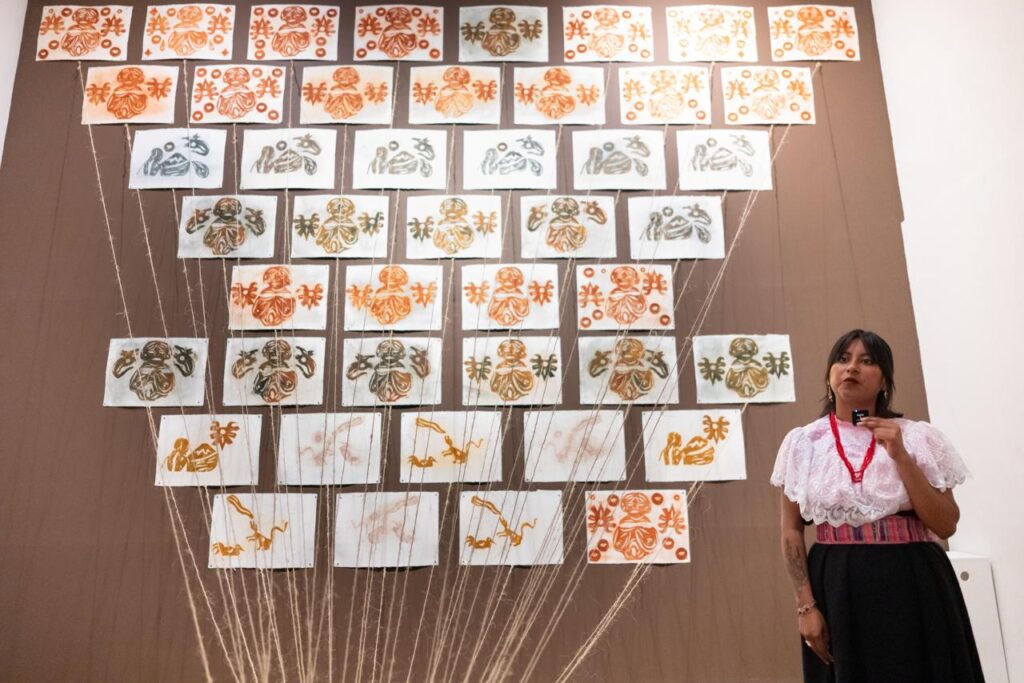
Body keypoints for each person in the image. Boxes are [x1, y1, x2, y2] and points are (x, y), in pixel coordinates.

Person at [771, 329, 984, 682]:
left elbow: (946, 524)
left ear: (884, 380)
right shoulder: (805, 442)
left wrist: (901, 457)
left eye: (867, 360)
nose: (852, 368)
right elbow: (791, 529)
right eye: (843, 359)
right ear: (829, 374)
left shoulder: (917, 437)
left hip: (914, 578)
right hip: (837, 583)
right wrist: (805, 607)